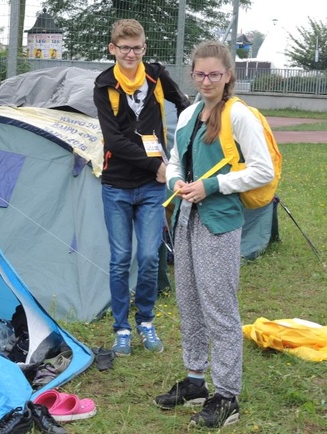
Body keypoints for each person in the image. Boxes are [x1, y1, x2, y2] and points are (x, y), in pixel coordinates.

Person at [153, 40, 274, 428]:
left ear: (228, 77)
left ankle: (227, 395)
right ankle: (195, 381)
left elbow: (263, 170)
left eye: (215, 75)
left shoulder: (240, 117)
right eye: (200, 74)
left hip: (219, 221)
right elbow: (175, 160)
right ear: (192, 75)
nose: (207, 81)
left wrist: (213, 186)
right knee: (188, 302)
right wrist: (176, 180)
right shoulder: (189, 114)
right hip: (186, 218)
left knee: (219, 309)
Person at [93, 19, 190, 356]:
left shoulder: (157, 75)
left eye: (136, 48)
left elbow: (185, 105)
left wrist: (186, 148)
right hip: (117, 185)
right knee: (120, 259)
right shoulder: (104, 84)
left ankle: (145, 321)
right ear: (112, 49)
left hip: (151, 187)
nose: (130, 54)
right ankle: (121, 328)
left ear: (144, 48)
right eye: (124, 48)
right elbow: (115, 141)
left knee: (149, 257)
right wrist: (157, 165)